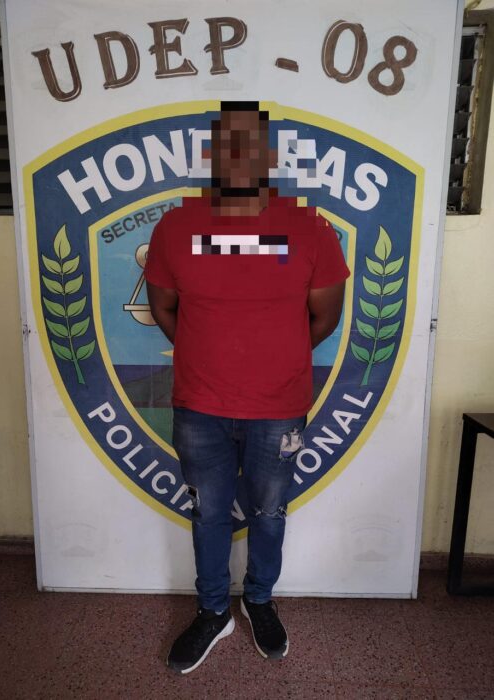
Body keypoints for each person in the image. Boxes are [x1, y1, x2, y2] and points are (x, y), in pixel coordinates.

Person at [144, 101, 350, 674]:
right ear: (211, 154)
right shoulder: (176, 227)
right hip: (199, 406)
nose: (238, 155)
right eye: (226, 144)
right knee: (208, 514)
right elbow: (163, 307)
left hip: (278, 409)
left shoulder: (308, 229)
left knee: (268, 511)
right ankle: (213, 611)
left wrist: (273, 360)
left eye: (250, 143)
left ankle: (259, 601)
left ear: (269, 154)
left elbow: (325, 318)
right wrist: (206, 353)